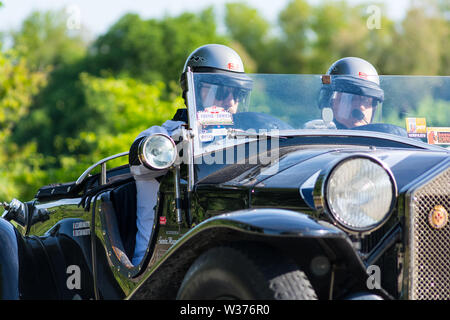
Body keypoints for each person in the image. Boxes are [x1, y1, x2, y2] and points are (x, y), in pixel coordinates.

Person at [128, 44, 251, 265]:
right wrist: (196, 134)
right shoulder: (161, 136)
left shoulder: (245, 138)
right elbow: (142, 160)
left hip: (225, 258)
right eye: (222, 91)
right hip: (159, 262)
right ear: (192, 90)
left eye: (238, 93)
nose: (231, 102)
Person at [318, 57, 385, 129]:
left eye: (366, 100)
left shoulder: (383, 138)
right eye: (352, 98)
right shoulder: (317, 137)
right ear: (331, 103)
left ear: (374, 108)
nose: (361, 107)